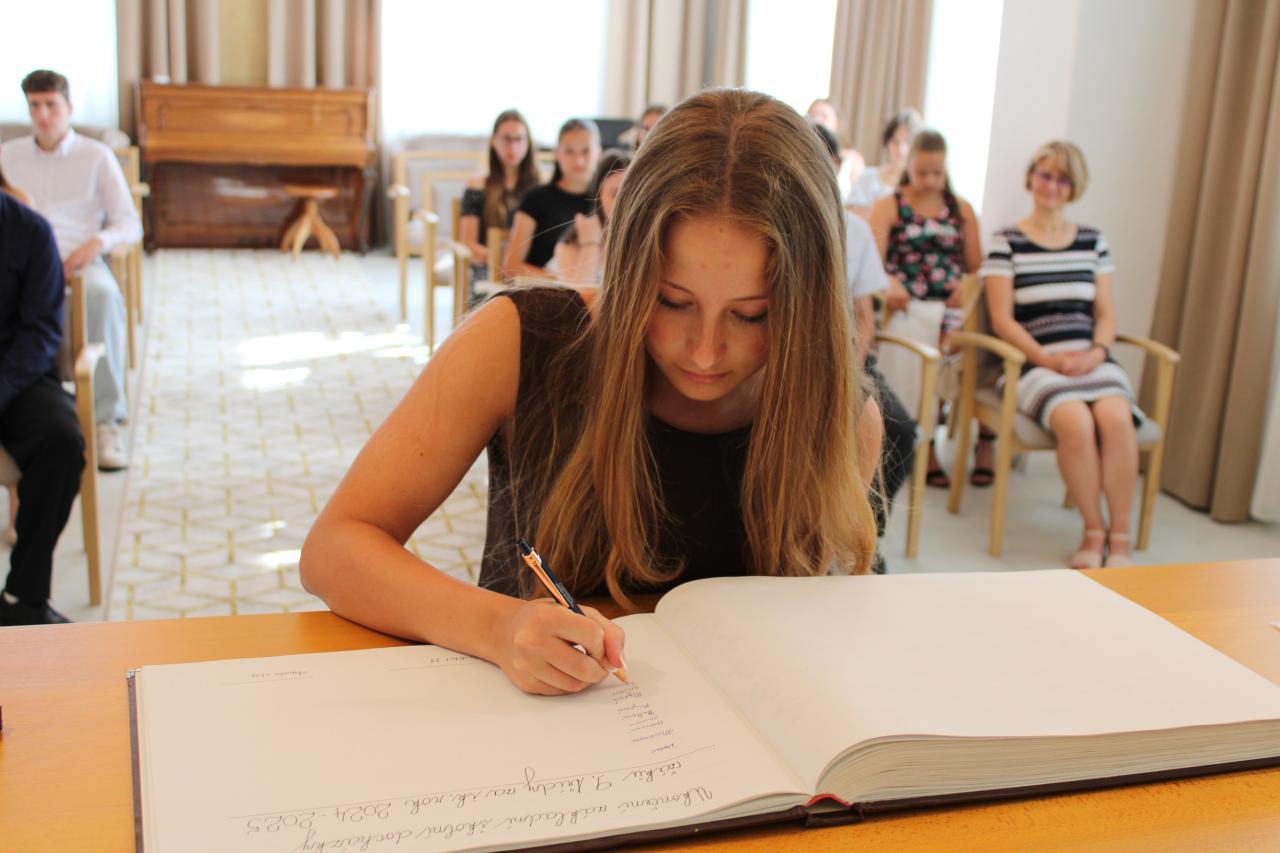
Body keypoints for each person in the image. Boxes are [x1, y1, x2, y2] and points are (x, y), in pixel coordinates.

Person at [301, 89, 883, 696]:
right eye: (671, 301)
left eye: (751, 314)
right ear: (627, 269)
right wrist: (497, 626)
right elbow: (334, 550)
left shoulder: (841, 417)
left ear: (807, 305)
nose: (705, 352)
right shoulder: (521, 340)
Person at [982, 142, 1140, 569]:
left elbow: (1106, 313)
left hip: (1092, 360)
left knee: (1116, 419)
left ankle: (1120, 535)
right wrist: (1047, 360)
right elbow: (1002, 320)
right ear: (1032, 177)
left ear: (1074, 187)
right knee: (1075, 422)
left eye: (1063, 179)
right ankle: (1093, 530)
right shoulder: (1006, 242)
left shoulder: (1092, 240)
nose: (1052, 186)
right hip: (1033, 363)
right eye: (1046, 175)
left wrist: (1097, 352)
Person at [0, 69, 139, 471]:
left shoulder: (96, 156)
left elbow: (129, 223)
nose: (43, 115)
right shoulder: (8, 156)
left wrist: (96, 243)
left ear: (69, 107)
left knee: (102, 297)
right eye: (35, 106)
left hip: (77, 259)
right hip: (22, 263)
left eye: (51, 105)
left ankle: (106, 419)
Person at [813, 122, 913, 573]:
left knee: (901, 429)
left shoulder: (855, 230)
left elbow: (864, 316)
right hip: (797, 357)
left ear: (837, 165)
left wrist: (847, 367)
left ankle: (865, 534)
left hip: (849, 357)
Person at [869, 129, 986, 489]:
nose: (930, 181)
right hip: (906, 304)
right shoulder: (890, 206)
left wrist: (964, 287)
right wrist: (890, 283)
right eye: (922, 172)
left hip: (949, 308)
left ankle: (929, 440)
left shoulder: (961, 209)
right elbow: (871, 264)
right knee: (911, 336)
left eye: (937, 172)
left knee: (948, 346)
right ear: (909, 166)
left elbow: (975, 266)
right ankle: (906, 436)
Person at [0, 155, 85, 626]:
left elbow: (41, 333)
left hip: (19, 375)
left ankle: (24, 599)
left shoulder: (29, 230)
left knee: (62, 441)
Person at [502, 118, 601, 280]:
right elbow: (511, 267)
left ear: (598, 153)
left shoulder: (605, 201)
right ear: (557, 154)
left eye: (586, 151)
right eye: (569, 151)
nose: (579, 160)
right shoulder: (535, 199)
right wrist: (562, 282)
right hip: (543, 290)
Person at [457, 110, 541, 287]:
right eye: (506, 139)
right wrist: (504, 260)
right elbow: (468, 244)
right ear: (493, 141)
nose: (513, 146)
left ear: (528, 143)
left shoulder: (539, 190)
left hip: (528, 272)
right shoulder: (477, 186)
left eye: (519, 139)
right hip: (487, 270)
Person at [551, 148, 631, 284]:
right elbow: (577, 295)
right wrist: (590, 245)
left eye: (632, 193)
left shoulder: (646, 238)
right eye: (615, 194)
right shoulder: (570, 243)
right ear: (598, 195)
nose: (624, 203)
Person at [847, 108, 921, 218]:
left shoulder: (920, 185)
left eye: (907, 142)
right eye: (895, 142)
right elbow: (852, 215)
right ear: (887, 143)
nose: (901, 149)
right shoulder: (868, 177)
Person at [806, 97, 866, 199]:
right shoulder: (803, 155)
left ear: (837, 122)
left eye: (823, 116)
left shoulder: (853, 160)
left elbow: (860, 199)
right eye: (812, 115)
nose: (817, 121)